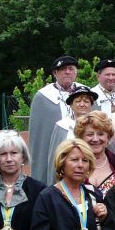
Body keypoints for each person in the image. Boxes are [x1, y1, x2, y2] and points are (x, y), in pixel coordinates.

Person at [29, 54, 79, 186]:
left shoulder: (86, 94)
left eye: (71, 68)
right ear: (55, 73)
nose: (67, 72)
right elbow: (39, 136)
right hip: (55, 153)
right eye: (63, 69)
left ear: (76, 73)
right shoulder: (43, 97)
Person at [78, 111, 115, 197]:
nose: (95, 139)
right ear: (81, 138)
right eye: (90, 134)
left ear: (108, 138)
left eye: (100, 134)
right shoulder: (73, 165)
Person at [47, 85, 97, 165]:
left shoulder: (99, 125)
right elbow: (55, 156)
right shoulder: (62, 126)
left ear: (91, 105)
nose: (82, 104)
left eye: (86, 101)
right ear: (71, 105)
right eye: (78, 101)